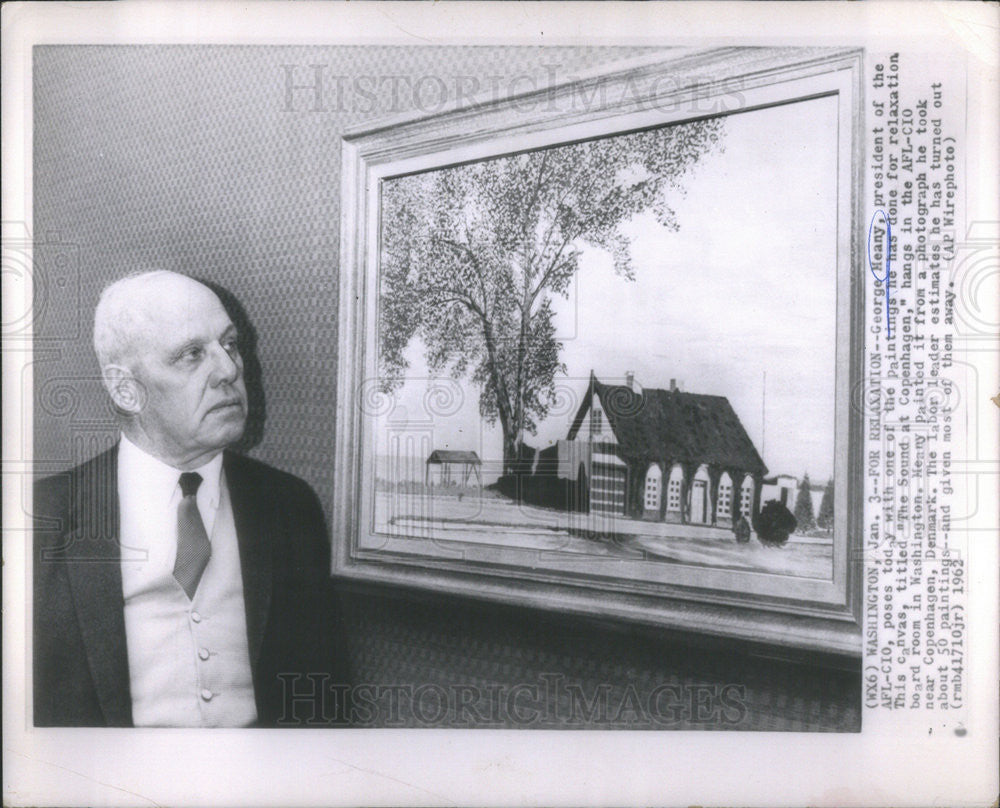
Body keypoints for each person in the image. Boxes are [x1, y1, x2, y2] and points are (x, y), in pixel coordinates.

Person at [33, 270, 346, 727]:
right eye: (192, 354)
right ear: (126, 389)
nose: (229, 370)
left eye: (230, 344)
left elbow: (325, 696)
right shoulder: (42, 520)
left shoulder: (287, 506)